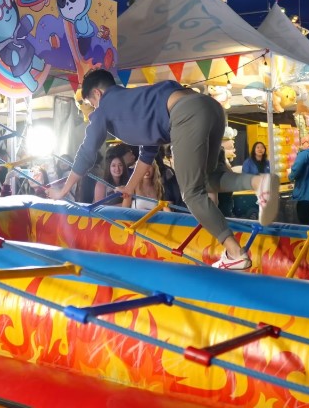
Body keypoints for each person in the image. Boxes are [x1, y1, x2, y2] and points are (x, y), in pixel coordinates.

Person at [49, 69, 279, 272]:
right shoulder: (136, 101)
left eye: (91, 103)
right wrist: (129, 188)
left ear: (97, 95)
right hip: (210, 107)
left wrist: (63, 191)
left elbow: (87, 152)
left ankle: (235, 254)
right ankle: (258, 183)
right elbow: (147, 154)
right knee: (208, 180)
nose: (93, 109)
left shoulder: (104, 108)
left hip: (186, 112)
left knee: (192, 193)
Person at [289, 134, 309, 225]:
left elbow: (295, 171)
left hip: (305, 196)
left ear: (307, 143)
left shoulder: (305, 154)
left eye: (302, 144)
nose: (301, 146)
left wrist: (290, 177)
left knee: (306, 224)